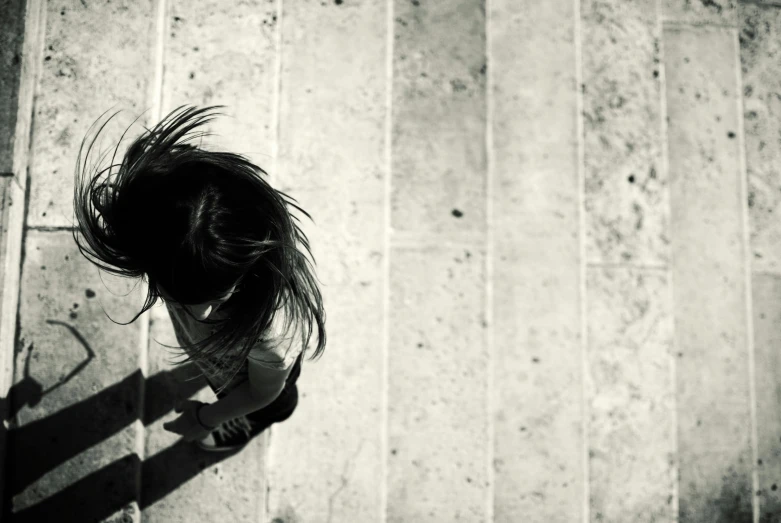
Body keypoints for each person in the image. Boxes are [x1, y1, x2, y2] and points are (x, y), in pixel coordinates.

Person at [71, 105, 326, 451]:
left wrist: (206, 417)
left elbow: (261, 391)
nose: (202, 314)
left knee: (275, 406)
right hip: (222, 361)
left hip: (250, 381)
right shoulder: (177, 250)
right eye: (179, 295)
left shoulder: (270, 337)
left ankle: (244, 426)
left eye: (217, 298)